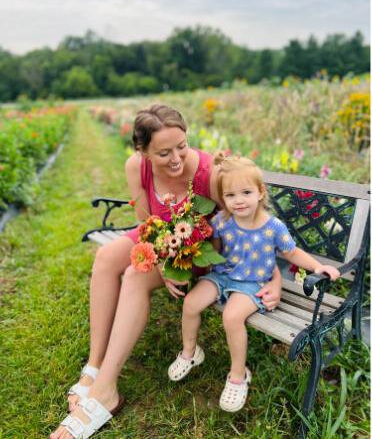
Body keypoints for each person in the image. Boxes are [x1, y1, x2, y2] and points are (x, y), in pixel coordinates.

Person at [51, 106, 282, 438]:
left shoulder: (208, 172)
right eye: (163, 152)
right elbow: (147, 222)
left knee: (133, 276)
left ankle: (105, 391)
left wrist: (273, 275)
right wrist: (160, 261)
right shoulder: (137, 167)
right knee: (105, 258)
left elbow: (254, 226)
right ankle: (95, 364)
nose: (176, 158)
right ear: (142, 151)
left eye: (182, 146)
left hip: (201, 250)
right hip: (164, 240)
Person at [168, 155, 340, 413]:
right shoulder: (222, 222)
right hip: (223, 276)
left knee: (232, 316)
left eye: (246, 192)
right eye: (230, 195)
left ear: (260, 192)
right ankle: (190, 352)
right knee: (191, 302)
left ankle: (239, 375)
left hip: (253, 283)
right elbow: (214, 251)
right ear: (223, 198)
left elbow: (292, 253)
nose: (238, 200)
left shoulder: (274, 227)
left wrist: (317, 267)